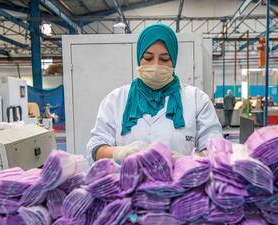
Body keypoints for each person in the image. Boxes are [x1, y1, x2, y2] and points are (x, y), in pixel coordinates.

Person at [86, 24, 222, 163]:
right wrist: (119, 153)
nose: (156, 65)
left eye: (164, 59)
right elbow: (95, 147)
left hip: (182, 183)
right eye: (148, 57)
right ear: (139, 58)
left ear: (174, 60)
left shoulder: (197, 100)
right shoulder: (116, 100)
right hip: (129, 183)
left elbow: (217, 150)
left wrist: (186, 161)